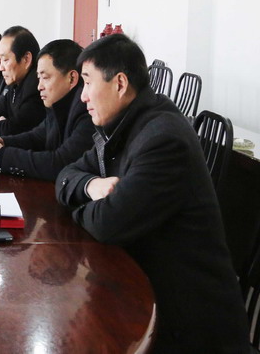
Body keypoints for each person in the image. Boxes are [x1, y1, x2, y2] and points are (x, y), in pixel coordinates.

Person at [55, 34, 248, 353]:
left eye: (88, 83)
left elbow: (108, 224)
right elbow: (65, 175)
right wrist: (91, 186)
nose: (83, 96)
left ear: (119, 84)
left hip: (191, 327)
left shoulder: (163, 139)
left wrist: (77, 208)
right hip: (148, 294)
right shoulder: (120, 125)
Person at [0, 39, 94, 181]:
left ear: (72, 78)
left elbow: (61, 163)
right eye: (39, 78)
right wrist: (1, 142)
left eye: (45, 78)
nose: (39, 86)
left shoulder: (87, 109)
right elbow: (37, 137)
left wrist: (1, 155)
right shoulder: (58, 103)